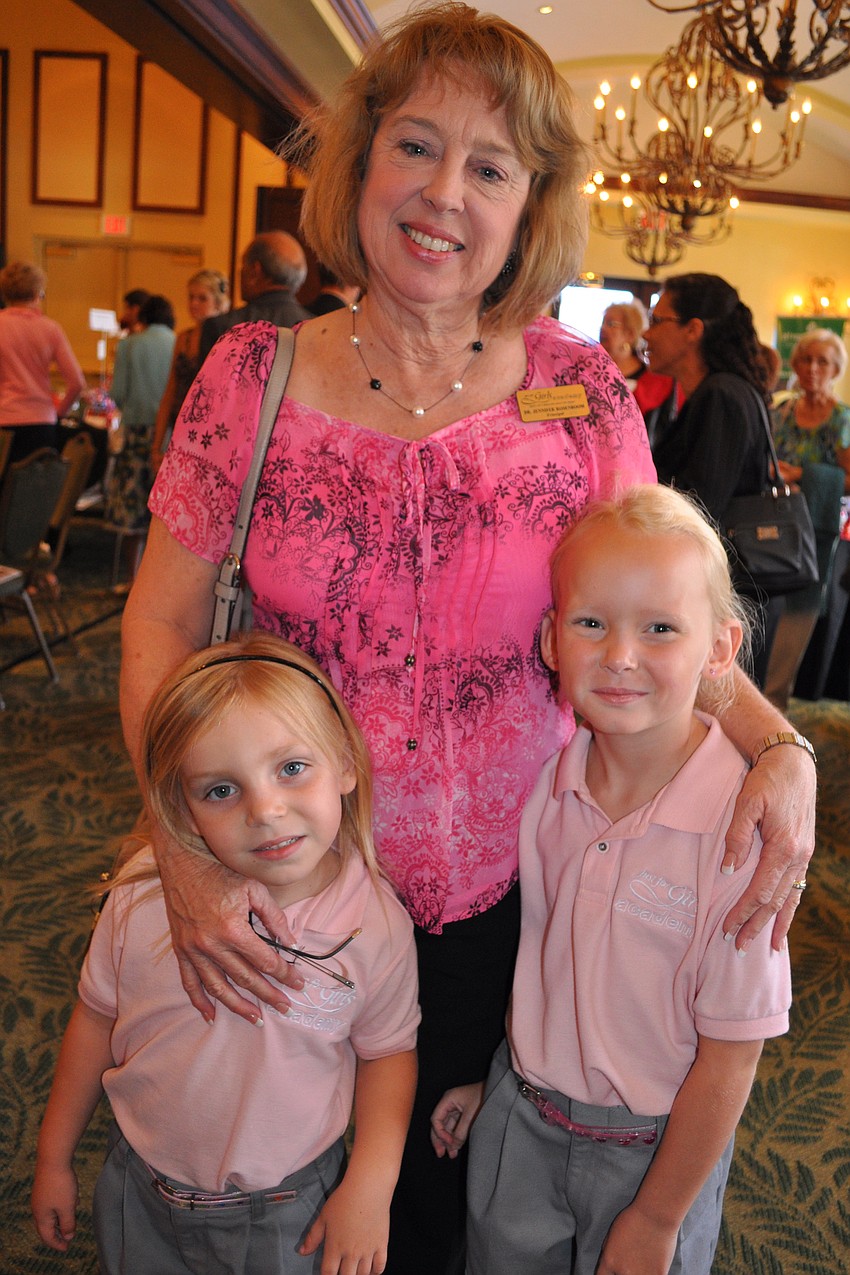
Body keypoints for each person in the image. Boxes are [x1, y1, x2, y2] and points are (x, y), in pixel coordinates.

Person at [120, 7, 814, 1271]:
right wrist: (187, 851)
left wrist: (779, 747)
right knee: (288, 1198)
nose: (445, 194)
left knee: (455, 1209)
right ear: (361, 164)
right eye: (416, 148)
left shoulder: (580, 392)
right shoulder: (251, 377)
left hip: (526, 896)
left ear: (528, 202)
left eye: (489, 168)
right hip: (298, 884)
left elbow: (660, 613)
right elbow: (162, 624)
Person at [432, 485, 792, 1275]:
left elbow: (731, 1056)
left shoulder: (739, 838)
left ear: (721, 650)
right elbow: (555, 960)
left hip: (657, 1154)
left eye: (660, 628)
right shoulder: (551, 784)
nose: (620, 655)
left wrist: (659, 1215)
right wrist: (501, 1079)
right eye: (592, 623)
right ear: (552, 640)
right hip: (523, 1116)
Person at [31, 631, 419, 1274]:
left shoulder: (375, 926)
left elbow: (387, 1055)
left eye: (292, 768)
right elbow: (95, 1019)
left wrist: (371, 1188)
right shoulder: (141, 899)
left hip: (288, 1213)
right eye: (220, 790)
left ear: (346, 764)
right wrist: (52, 1157)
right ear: (179, 806)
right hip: (139, 1187)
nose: (265, 810)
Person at [646, 272, 781, 687]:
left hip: (724, 594)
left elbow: (698, 508)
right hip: (721, 588)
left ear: (693, 331)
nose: (647, 336)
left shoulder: (722, 394)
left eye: (658, 321)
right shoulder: (717, 391)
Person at [764, 328, 850, 707]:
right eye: (805, 359)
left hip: (817, 528)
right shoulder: (780, 410)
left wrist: (803, 475)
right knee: (764, 604)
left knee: (801, 609)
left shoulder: (843, 420)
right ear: (795, 364)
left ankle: (776, 697)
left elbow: (849, 479)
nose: (812, 368)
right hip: (774, 521)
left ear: (836, 369)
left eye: (823, 361)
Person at [105, 294, 176, 586]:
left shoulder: (130, 344)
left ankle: (133, 580)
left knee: (134, 509)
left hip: (136, 433)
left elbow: (117, 393)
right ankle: (159, 584)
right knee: (165, 511)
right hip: (171, 435)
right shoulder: (179, 341)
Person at [0, 261, 85, 466]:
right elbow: (77, 383)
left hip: (4, 422)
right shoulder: (50, 329)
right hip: (41, 423)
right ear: (37, 292)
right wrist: (58, 413)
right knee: (36, 493)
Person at [150, 269, 230, 474]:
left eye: (202, 298)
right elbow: (170, 390)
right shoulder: (183, 338)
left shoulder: (227, 338)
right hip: (182, 428)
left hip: (212, 433)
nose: (194, 304)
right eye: (191, 297)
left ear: (218, 302)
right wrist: (157, 444)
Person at [198, 232, 311, 362]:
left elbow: (208, 381)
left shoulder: (222, 328)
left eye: (243, 265)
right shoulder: (315, 328)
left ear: (255, 271)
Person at [599, 299, 679, 445]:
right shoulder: (591, 373)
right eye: (603, 323)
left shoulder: (656, 380)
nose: (603, 329)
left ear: (630, 334)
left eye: (611, 324)